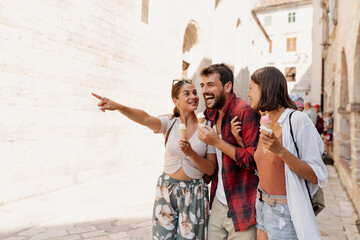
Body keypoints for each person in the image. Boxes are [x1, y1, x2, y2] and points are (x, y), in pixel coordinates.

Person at [91, 79, 217, 240]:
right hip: (166, 189)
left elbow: (211, 169)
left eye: (194, 92)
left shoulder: (207, 128)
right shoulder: (169, 122)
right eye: (187, 93)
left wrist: (191, 153)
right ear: (175, 101)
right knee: (161, 237)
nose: (193, 96)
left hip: (194, 192)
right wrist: (119, 107)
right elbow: (144, 118)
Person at [243, 66, 327, 240]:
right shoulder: (265, 122)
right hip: (262, 205)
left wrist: (281, 151)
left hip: (285, 212)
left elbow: (316, 175)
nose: (248, 93)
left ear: (265, 89)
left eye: (251, 88)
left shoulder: (297, 121)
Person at [197, 63, 260, 239]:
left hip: (242, 204)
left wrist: (217, 142)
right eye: (202, 85)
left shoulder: (244, 111)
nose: (204, 90)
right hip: (218, 202)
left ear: (227, 86)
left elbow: (253, 160)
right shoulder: (210, 112)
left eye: (210, 85)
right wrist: (176, 114)